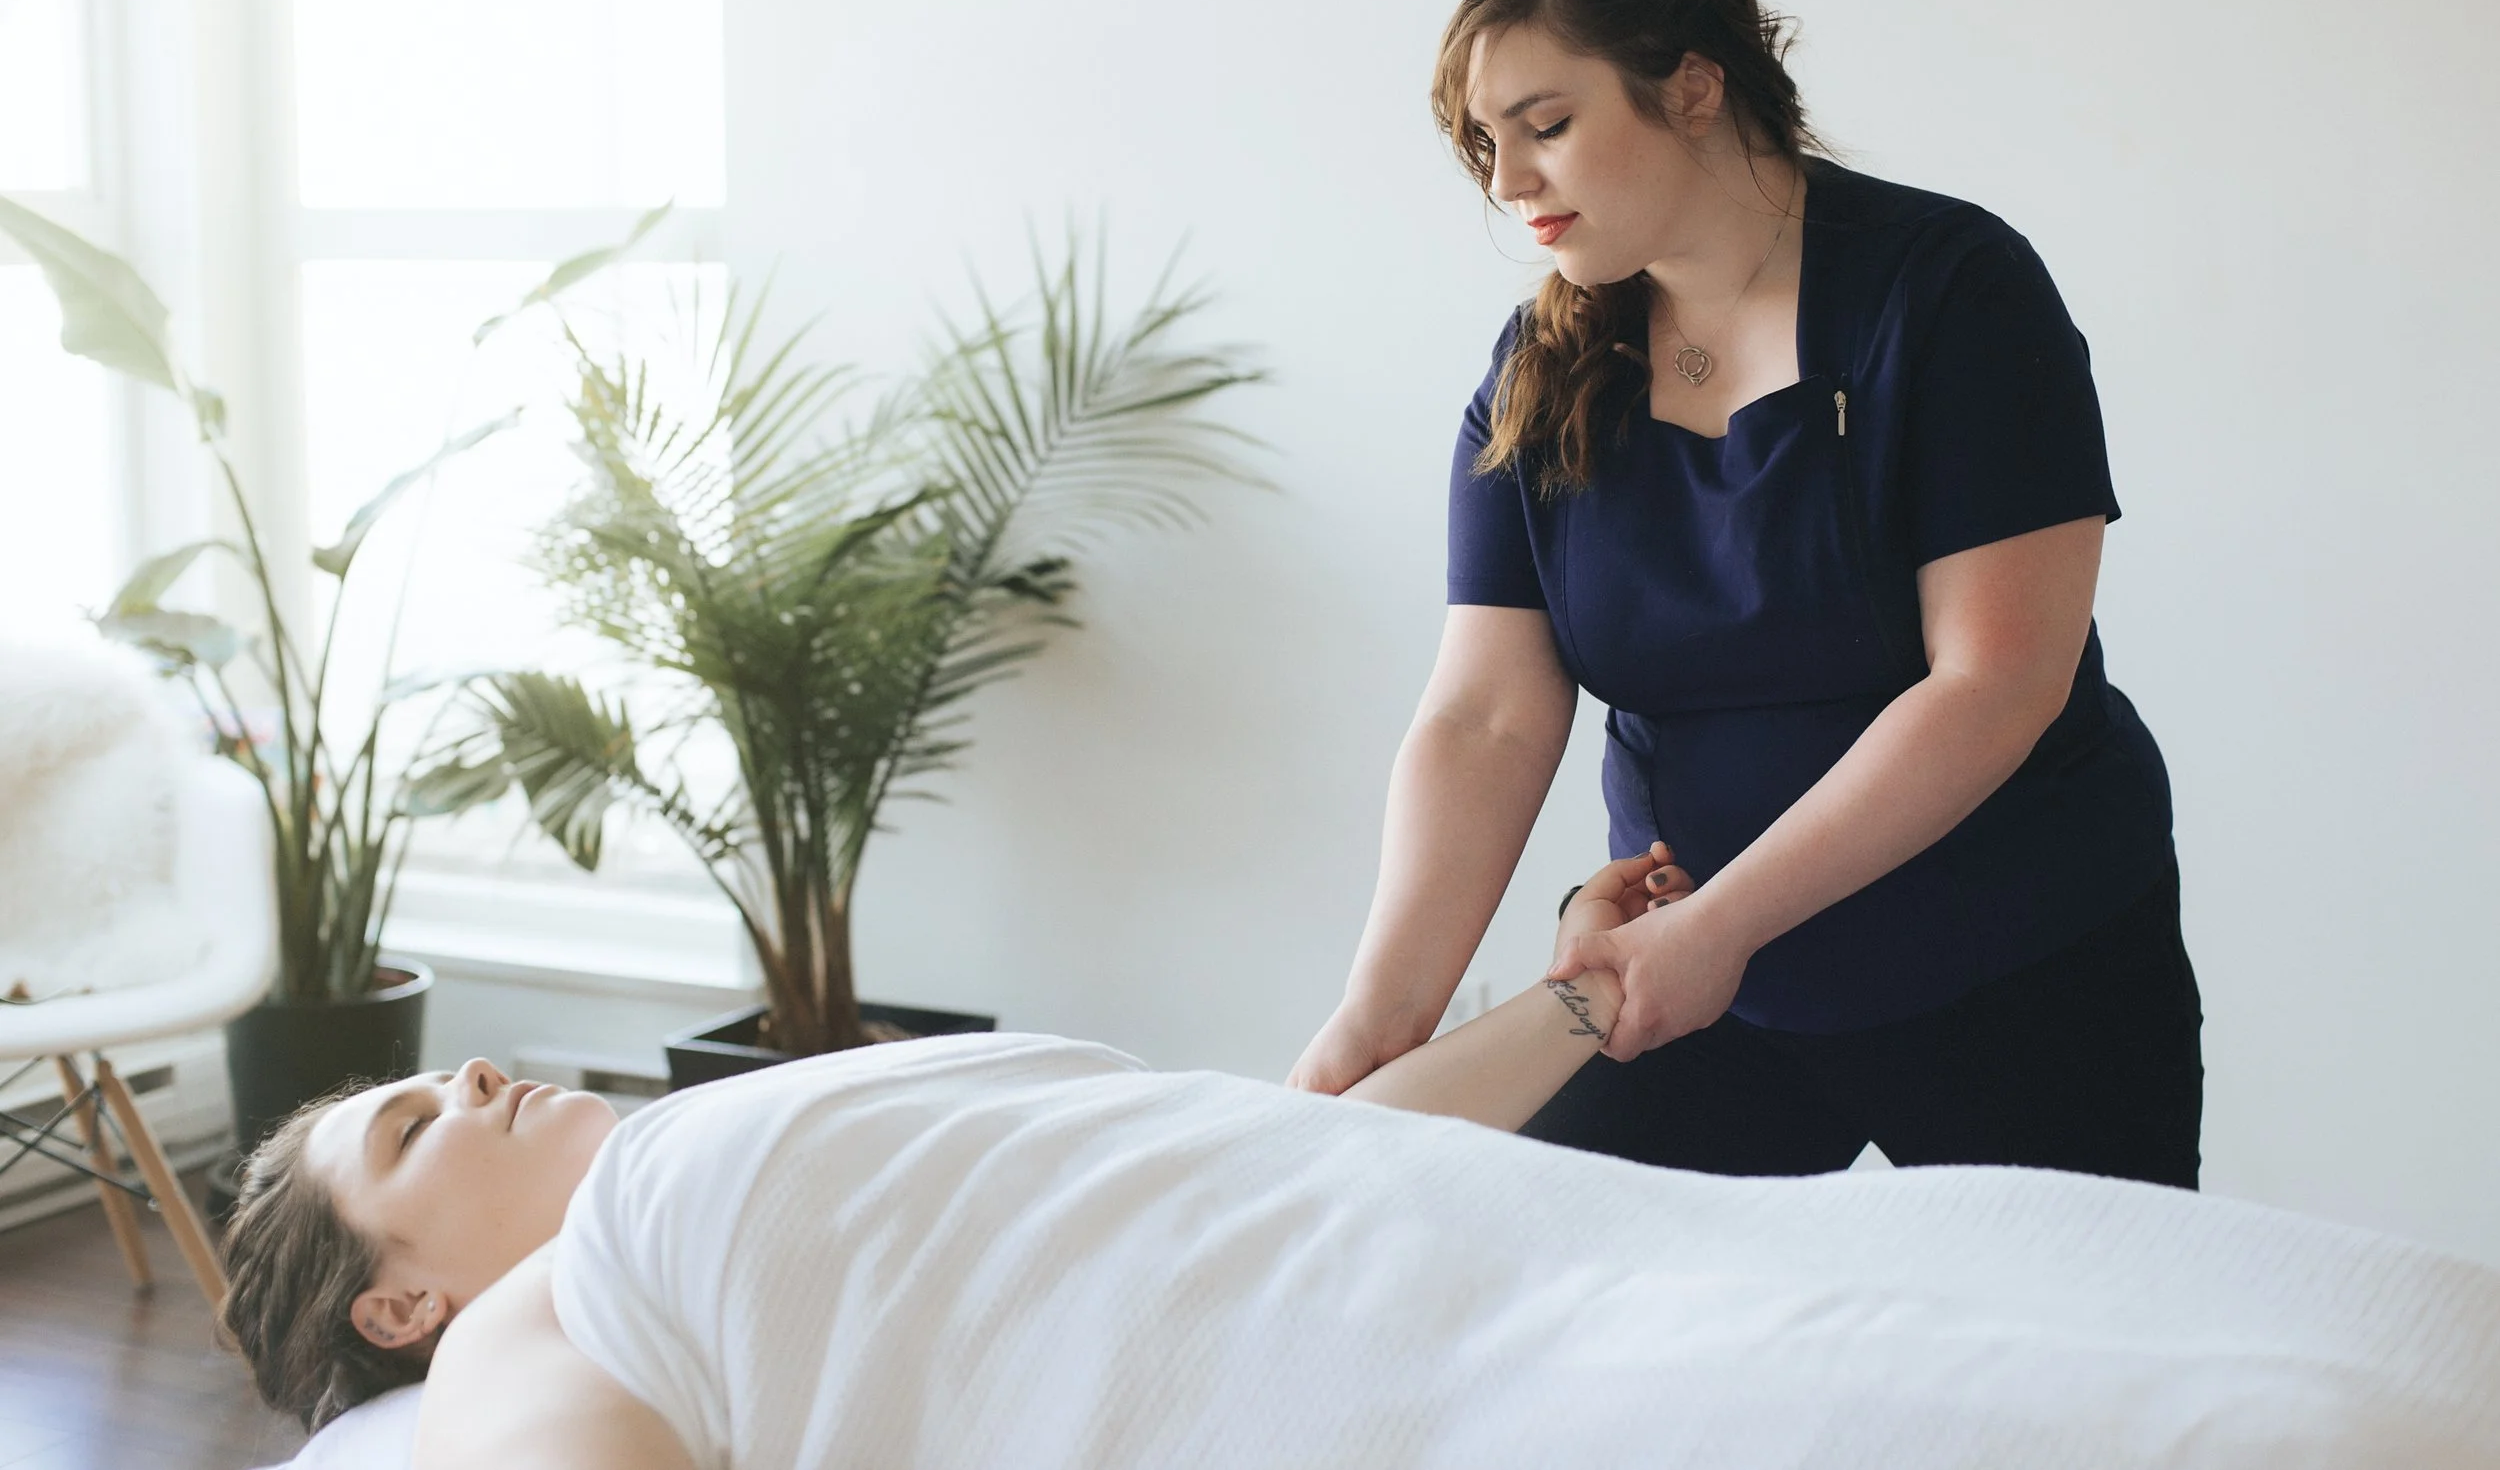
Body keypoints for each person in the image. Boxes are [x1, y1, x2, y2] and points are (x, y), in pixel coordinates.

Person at [214, 848, 2500, 1469]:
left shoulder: (796, 1108)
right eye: (407, 1125)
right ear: (404, 1300)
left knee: (2308, 1340)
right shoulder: (558, 1300)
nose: (466, 1077)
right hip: (1407, 1392)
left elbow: (1259, 1152)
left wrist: (1576, 999)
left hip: (1520, 1239)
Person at [1287, 0, 2196, 1191]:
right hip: (1690, 979)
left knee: (2074, 1318)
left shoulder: (1952, 294)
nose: (1506, 180)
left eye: (1548, 125)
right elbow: (1485, 716)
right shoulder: (1543, 368)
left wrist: (1727, 922)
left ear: (1696, 87)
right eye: (1484, 140)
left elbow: (1996, 682)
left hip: (2014, 960)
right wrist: (1381, 1013)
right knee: (1573, 1290)